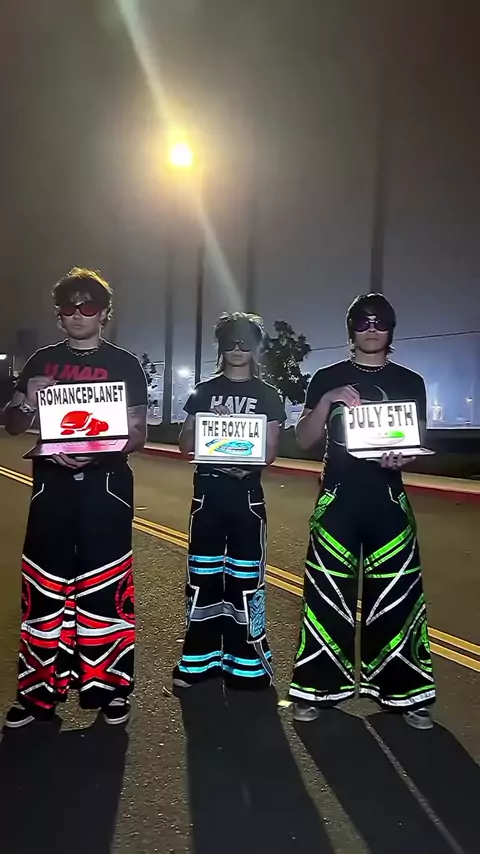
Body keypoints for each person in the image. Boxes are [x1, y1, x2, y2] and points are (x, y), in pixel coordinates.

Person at [4, 268, 147, 728]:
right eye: (69, 306)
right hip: (52, 488)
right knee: (43, 588)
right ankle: (37, 694)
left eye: (89, 305)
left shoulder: (125, 365)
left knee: (105, 588)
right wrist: (26, 400)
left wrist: (99, 449)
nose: (79, 313)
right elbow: (12, 424)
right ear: (59, 315)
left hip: (107, 490)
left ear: (105, 313)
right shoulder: (41, 361)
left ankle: (110, 690)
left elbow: (138, 432)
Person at [289, 293, 435, 729]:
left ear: (391, 329)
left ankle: (405, 693)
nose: (372, 328)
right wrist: (328, 400)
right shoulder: (327, 377)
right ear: (350, 328)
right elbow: (305, 439)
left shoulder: (410, 381)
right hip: (337, 502)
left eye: (380, 321)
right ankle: (316, 689)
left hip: (388, 502)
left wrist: (403, 456)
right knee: (326, 597)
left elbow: (417, 441)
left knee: (398, 597)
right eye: (363, 321)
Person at [174, 312, 286, 690]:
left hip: (247, 498)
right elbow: (185, 444)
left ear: (256, 347)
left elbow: (269, 452)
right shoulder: (203, 391)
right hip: (207, 494)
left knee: (248, 580)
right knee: (202, 578)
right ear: (220, 346)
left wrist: (244, 454)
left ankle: (248, 662)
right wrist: (206, 422)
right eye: (229, 342)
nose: (237, 349)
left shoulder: (268, 395)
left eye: (245, 342)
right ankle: (198, 660)